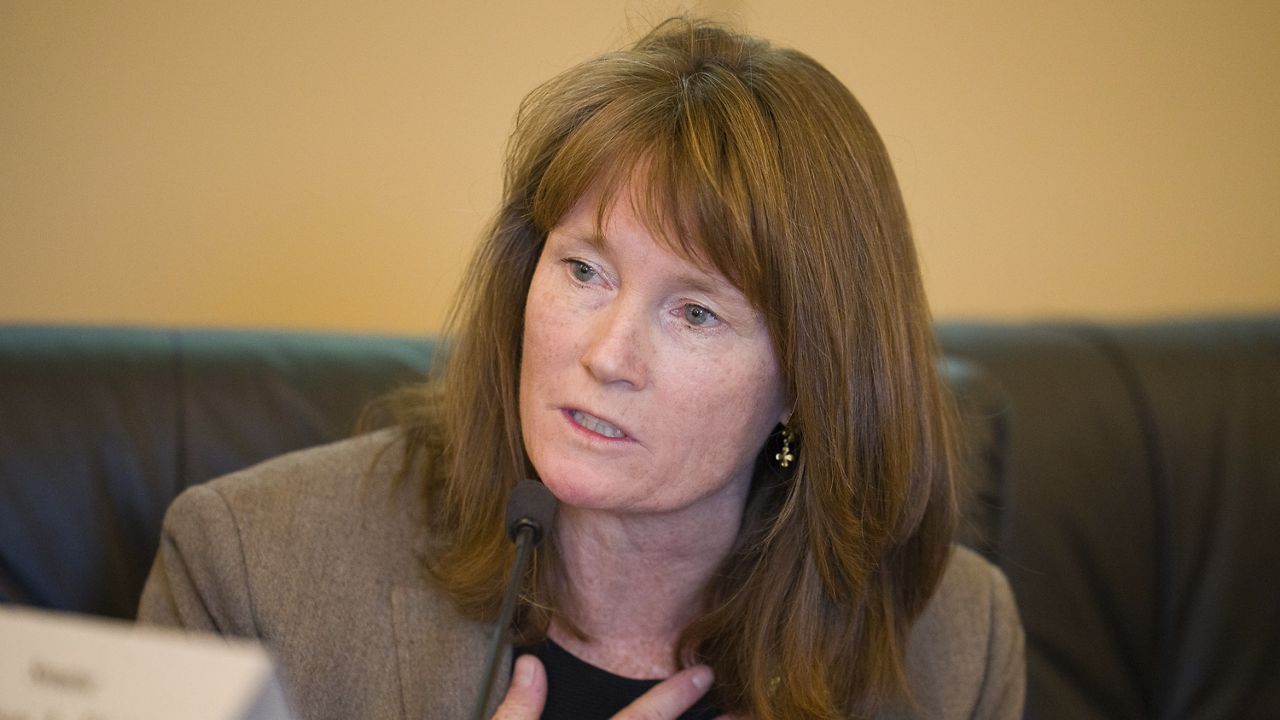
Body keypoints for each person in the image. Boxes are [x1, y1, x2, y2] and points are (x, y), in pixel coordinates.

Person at [138, 17, 1024, 720]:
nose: (605, 355)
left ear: (809, 378)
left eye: (697, 312)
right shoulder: (247, 569)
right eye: (584, 270)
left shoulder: (955, 639)